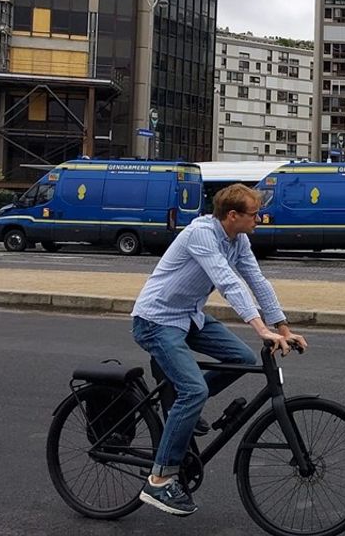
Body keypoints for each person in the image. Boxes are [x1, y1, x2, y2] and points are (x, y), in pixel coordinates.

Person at [130, 183, 308, 517]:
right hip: (156, 320)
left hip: (189, 316)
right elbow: (227, 282)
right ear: (232, 215)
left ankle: (185, 404)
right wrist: (261, 329)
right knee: (194, 390)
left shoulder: (238, 239)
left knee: (240, 358)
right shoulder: (201, 234)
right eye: (254, 214)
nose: (260, 218)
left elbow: (257, 280)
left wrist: (282, 327)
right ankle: (159, 479)